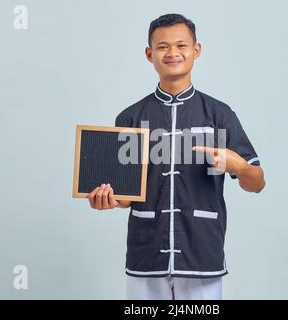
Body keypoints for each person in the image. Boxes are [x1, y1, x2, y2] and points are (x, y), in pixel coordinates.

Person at [87, 13, 265, 300]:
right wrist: (107, 199)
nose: (172, 53)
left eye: (181, 45)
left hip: (202, 254)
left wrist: (241, 167)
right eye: (162, 47)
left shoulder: (220, 115)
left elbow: (257, 183)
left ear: (196, 51)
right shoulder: (131, 118)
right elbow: (127, 195)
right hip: (146, 256)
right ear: (149, 54)